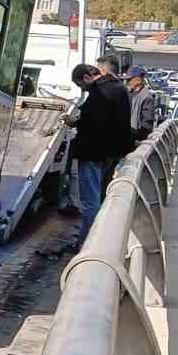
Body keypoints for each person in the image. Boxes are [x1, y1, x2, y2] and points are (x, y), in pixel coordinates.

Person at [63, 63, 135, 244]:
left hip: (93, 153)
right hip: (113, 153)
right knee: (102, 197)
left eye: (81, 86)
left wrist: (74, 122)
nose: (83, 90)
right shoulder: (120, 88)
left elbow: (93, 123)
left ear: (87, 77)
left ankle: (87, 243)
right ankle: (98, 239)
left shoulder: (99, 92)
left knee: (90, 201)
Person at [124, 67, 161, 142]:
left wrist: (137, 138)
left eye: (129, 79)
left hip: (136, 140)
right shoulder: (129, 93)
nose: (127, 82)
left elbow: (147, 125)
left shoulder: (146, 97)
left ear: (138, 80)